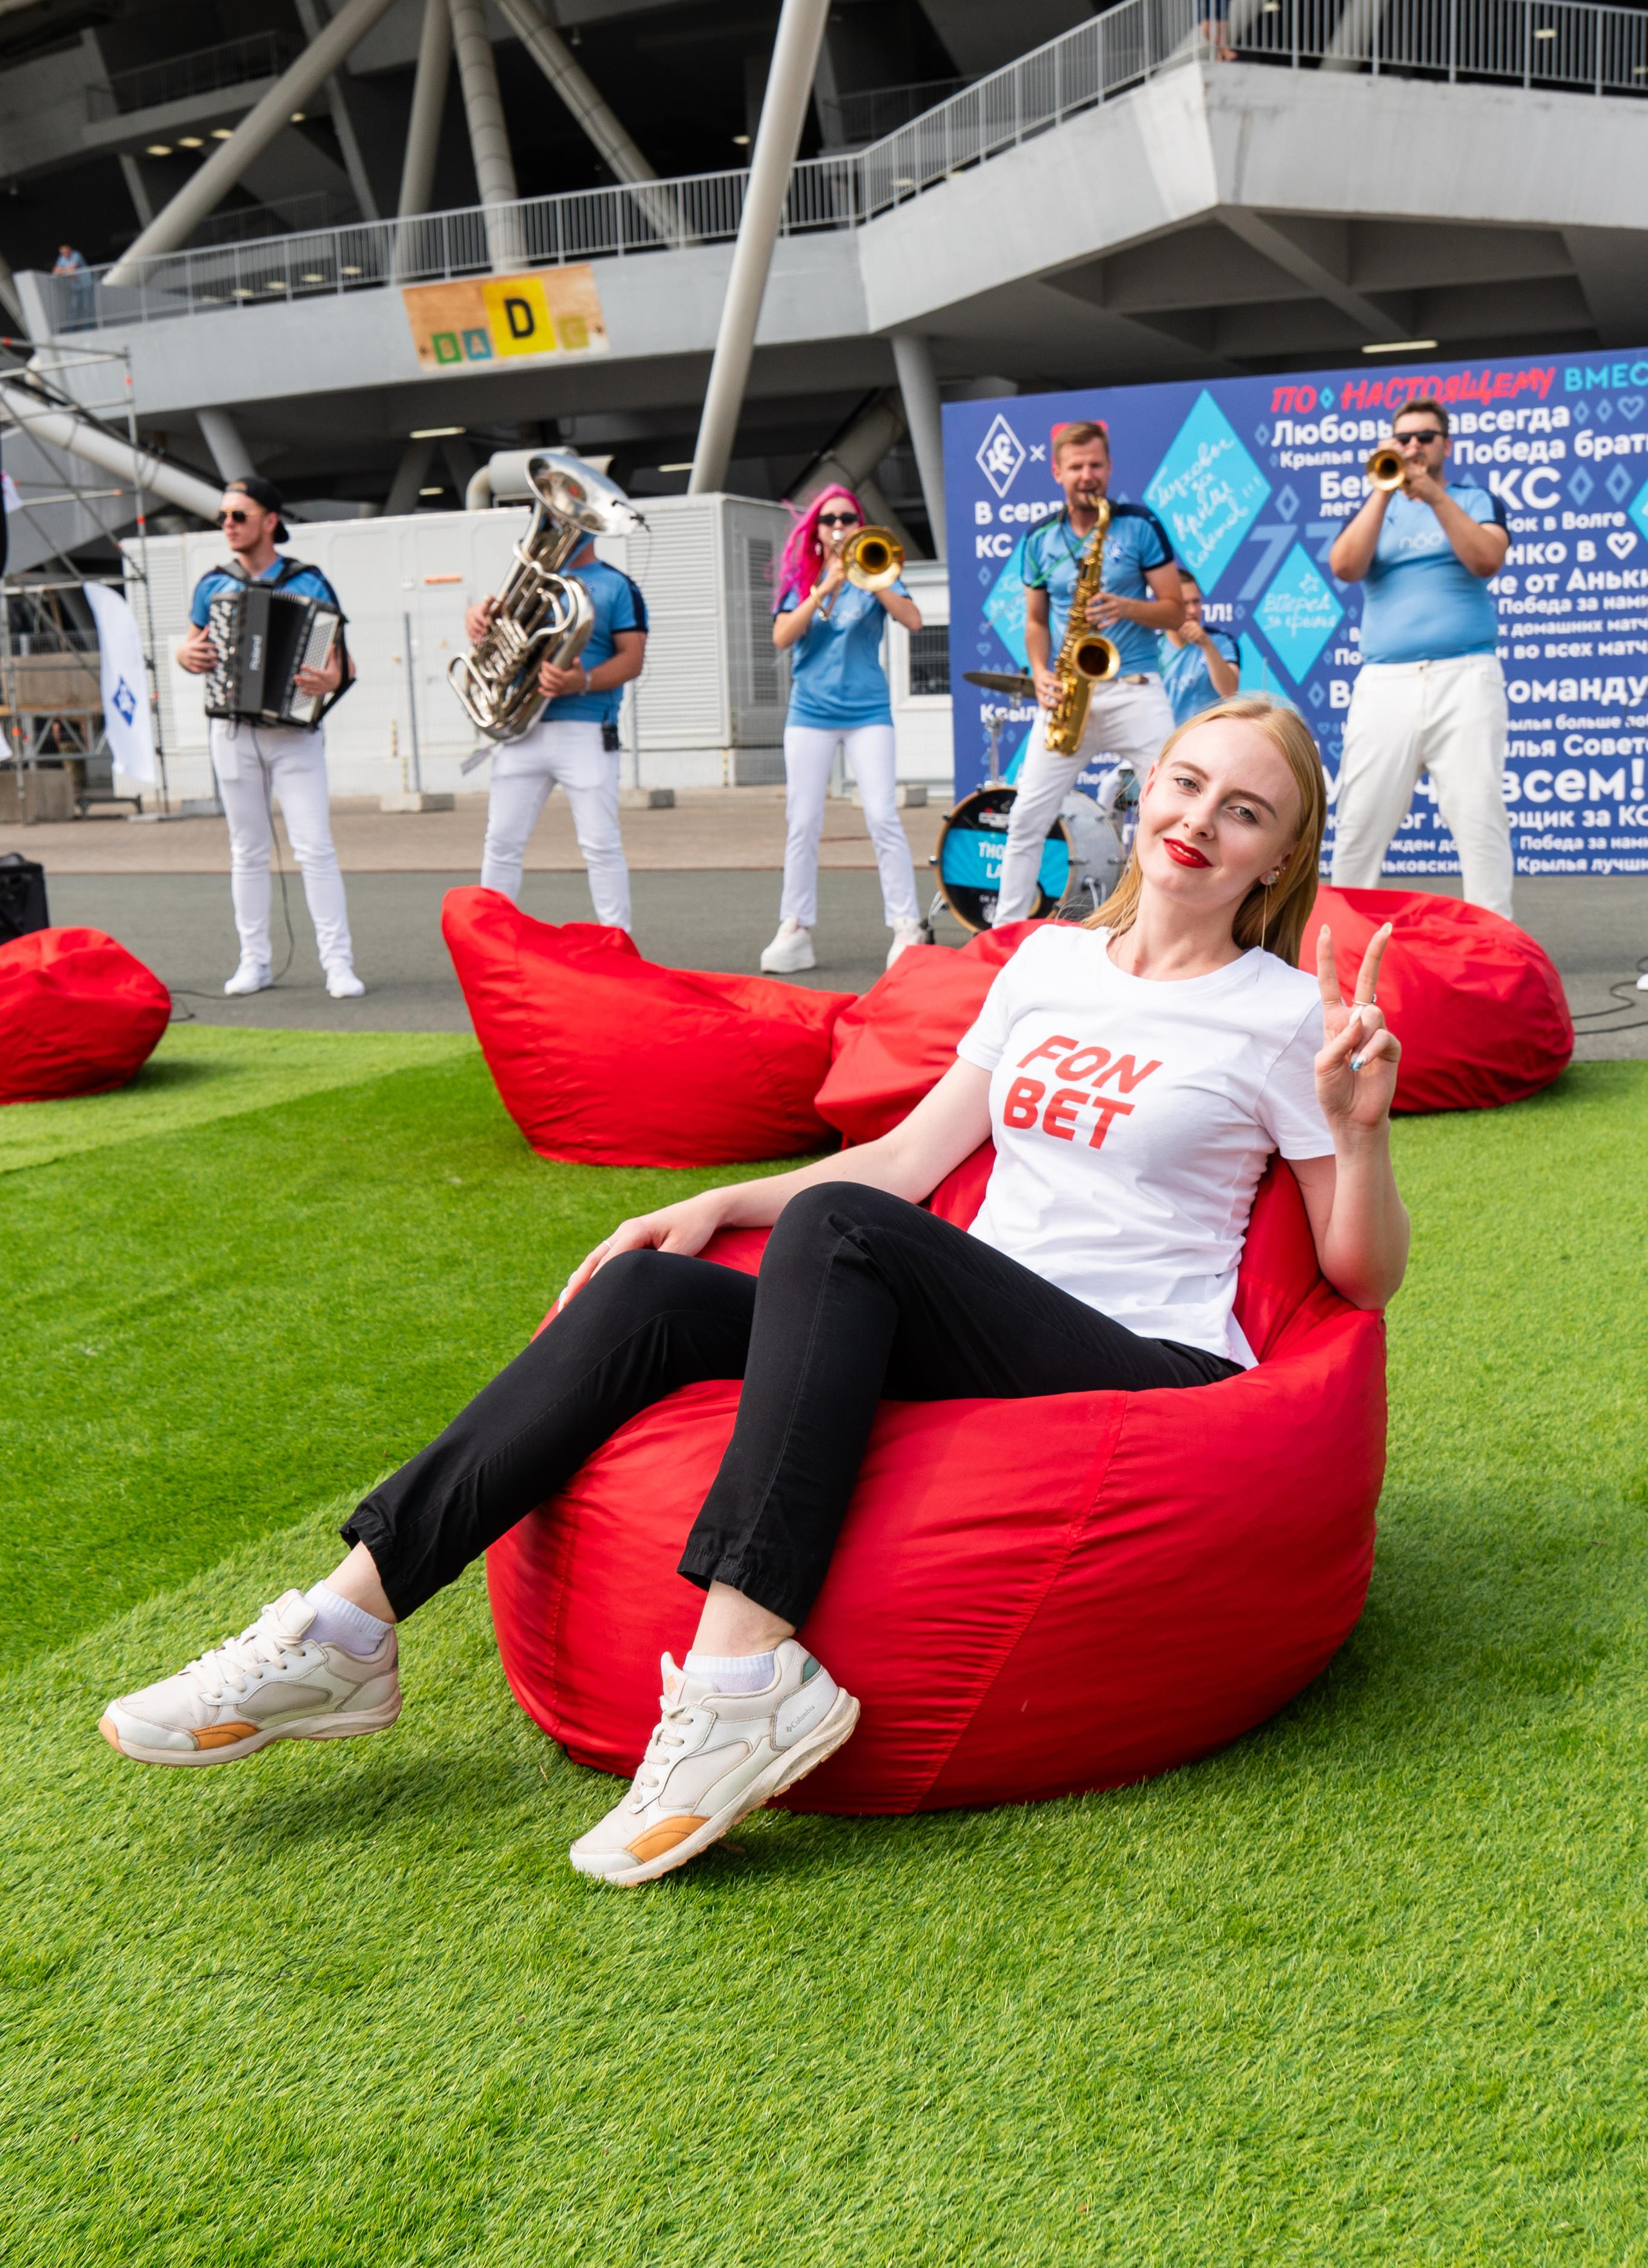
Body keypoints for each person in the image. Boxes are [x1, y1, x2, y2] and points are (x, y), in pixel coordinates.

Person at [100, 695, 1409, 1893]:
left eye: (1244, 812)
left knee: (842, 1233)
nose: (1198, 823)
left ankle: (741, 1678)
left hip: (1137, 1358)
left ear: (1275, 859)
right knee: (644, 1301)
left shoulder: (1283, 1015)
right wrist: (714, 1205)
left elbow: (1359, 1281)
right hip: (977, 1316)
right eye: (1185, 786)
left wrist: (1356, 1133)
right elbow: (906, 1162)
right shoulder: (1050, 964)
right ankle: (346, 1625)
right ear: (1144, 792)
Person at [175, 475, 364, 1000]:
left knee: (315, 848)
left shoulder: (309, 583)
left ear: (270, 521)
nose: (228, 525)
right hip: (232, 730)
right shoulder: (214, 584)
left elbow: (340, 663)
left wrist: (330, 681)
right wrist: (183, 655)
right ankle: (253, 961)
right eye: (224, 518)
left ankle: (338, 964)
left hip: (294, 733)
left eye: (239, 516)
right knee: (247, 851)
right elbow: (191, 647)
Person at [1327, 397, 1513, 917]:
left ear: (1445, 445)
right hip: (1386, 682)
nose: (1413, 447)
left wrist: (1433, 496)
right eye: (1402, 439)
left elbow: (1486, 559)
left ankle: (1496, 941)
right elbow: (1345, 566)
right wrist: (1383, 493)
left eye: (1425, 438)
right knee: (1361, 818)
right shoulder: (1373, 507)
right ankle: (1345, 937)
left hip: (1466, 675)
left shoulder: (1475, 499)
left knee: (1479, 817)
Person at [995, 420, 1183, 924]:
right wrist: (1039, 672)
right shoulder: (1038, 539)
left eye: (1095, 465)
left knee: (1173, 810)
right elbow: (1035, 622)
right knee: (1026, 820)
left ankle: (1166, 924)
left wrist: (1125, 607)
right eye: (1076, 467)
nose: (1087, 475)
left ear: (1109, 468)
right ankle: (1003, 939)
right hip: (1069, 697)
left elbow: (1174, 611)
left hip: (1136, 687)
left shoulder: (1139, 524)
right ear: (1058, 472)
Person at [760, 486, 926, 976]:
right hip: (809, 713)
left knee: (881, 815)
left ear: (860, 523)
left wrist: (871, 581)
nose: (838, 525)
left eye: (847, 517)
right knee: (803, 821)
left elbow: (914, 621)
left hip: (867, 713)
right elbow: (782, 637)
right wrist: (825, 585)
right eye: (828, 519)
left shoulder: (880, 571)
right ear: (815, 530)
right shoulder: (802, 581)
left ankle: (905, 924)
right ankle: (795, 925)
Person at [466, 523, 647, 929]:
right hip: (521, 730)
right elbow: (495, 640)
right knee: (501, 843)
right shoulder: (527, 582)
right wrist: (476, 621)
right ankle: (491, 943)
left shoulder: (618, 586)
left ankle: (618, 946)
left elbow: (632, 659)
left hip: (586, 729)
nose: (557, 527)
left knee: (600, 844)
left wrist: (579, 682)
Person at [1160, 568, 1241, 726]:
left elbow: (1230, 692)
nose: (1192, 611)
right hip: (1166, 742)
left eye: (1196, 602)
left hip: (1210, 738)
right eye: (1185, 604)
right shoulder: (1152, 647)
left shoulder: (1221, 641)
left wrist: (1207, 645)